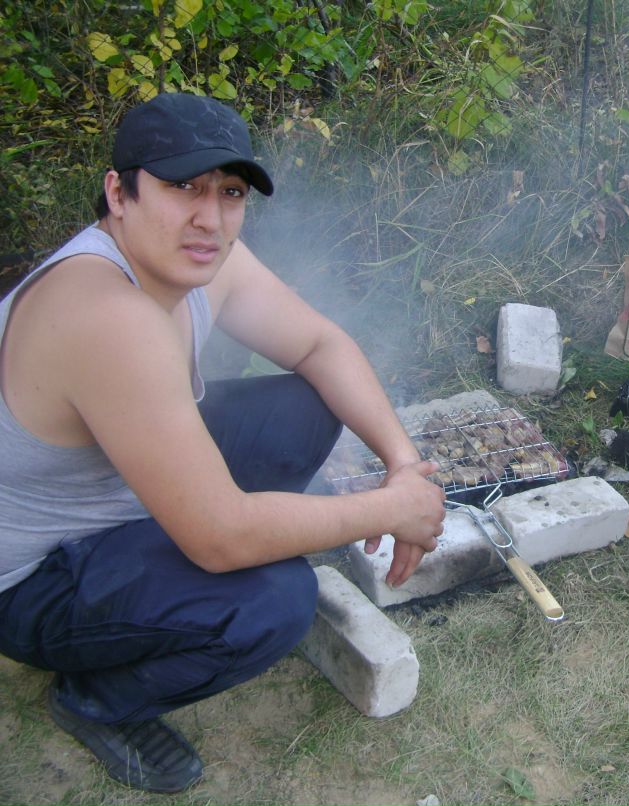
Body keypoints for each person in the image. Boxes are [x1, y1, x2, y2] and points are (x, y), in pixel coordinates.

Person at [0, 92, 447, 793]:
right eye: (182, 186)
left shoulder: (203, 258)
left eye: (229, 192)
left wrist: (402, 463)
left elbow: (320, 343)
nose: (209, 217)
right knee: (272, 599)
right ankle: (95, 699)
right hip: (32, 580)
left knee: (305, 407)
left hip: (120, 495)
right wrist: (392, 510)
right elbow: (220, 537)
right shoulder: (102, 314)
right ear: (119, 192)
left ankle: (176, 571)